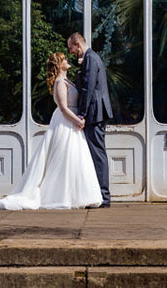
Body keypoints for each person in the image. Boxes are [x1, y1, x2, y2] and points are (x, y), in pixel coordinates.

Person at [0, 52, 103, 210]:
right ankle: (60, 195)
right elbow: (63, 108)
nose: (67, 60)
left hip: (72, 123)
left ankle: (78, 195)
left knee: (75, 158)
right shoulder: (60, 82)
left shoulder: (66, 80)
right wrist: (78, 120)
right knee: (65, 158)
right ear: (59, 64)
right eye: (64, 59)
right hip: (66, 122)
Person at [68, 32, 112, 207]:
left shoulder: (91, 59)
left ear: (78, 44)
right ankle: (98, 194)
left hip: (95, 112)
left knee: (97, 154)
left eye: (71, 49)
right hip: (96, 111)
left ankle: (103, 196)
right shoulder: (90, 59)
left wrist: (82, 114)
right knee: (95, 154)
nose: (71, 52)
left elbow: (88, 88)